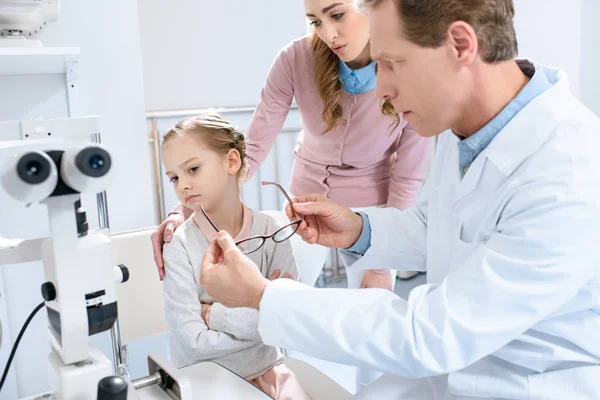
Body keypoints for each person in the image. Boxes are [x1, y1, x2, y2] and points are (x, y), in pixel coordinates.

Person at [197, 0, 600, 399]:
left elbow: (430, 334)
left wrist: (262, 296)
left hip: (523, 383)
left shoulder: (566, 173)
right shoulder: (465, 127)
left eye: (390, 62)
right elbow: (439, 226)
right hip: (456, 369)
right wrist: (360, 228)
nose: (381, 88)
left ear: (460, 45)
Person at [153, 0, 430, 390]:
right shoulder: (295, 59)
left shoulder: (407, 70)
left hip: (373, 208)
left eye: (337, 15)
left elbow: (408, 175)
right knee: (278, 296)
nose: (328, 34)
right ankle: (279, 375)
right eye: (315, 21)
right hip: (304, 204)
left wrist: (381, 263)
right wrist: (188, 211)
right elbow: (256, 142)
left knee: (375, 312)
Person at [160, 114, 310, 400]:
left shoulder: (272, 230)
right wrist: (263, 314)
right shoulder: (179, 245)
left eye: (193, 169)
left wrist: (212, 314)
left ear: (231, 161)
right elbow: (193, 343)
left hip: (270, 371)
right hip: (207, 379)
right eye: (175, 178)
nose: (183, 186)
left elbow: (287, 322)